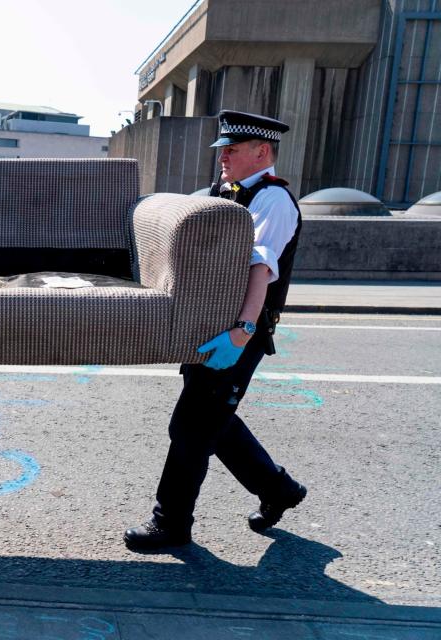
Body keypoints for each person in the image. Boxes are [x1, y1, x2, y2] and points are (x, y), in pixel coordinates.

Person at [124, 110, 307, 550]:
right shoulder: (220, 192)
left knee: (190, 427)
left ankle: (172, 523)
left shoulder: (273, 200)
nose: (223, 156)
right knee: (212, 419)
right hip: (208, 328)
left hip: (238, 333)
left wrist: (242, 331)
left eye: (233, 149)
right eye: (222, 148)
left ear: (262, 151)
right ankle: (278, 489)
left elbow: (260, 267)